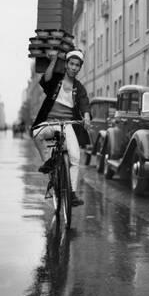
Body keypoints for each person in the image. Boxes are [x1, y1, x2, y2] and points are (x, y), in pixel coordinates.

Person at [31, 49, 91, 207]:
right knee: (37, 134)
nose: (74, 67)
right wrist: (53, 60)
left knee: (75, 156)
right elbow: (46, 80)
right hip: (50, 122)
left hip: (68, 124)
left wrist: (86, 116)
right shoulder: (56, 80)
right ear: (66, 64)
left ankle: (72, 194)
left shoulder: (79, 87)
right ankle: (48, 162)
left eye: (77, 65)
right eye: (71, 64)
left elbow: (84, 102)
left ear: (80, 68)